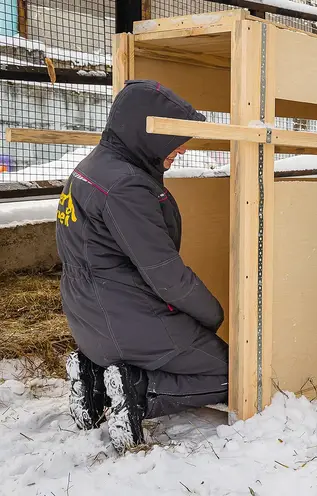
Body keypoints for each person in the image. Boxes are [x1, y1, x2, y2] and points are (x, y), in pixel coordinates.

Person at [56, 79, 229, 454]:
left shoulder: (91, 167)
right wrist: (213, 315)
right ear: (146, 132)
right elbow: (166, 275)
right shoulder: (126, 186)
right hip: (124, 320)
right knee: (233, 374)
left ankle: (96, 380)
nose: (181, 150)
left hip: (88, 319)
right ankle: (137, 392)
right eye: (173, 140)